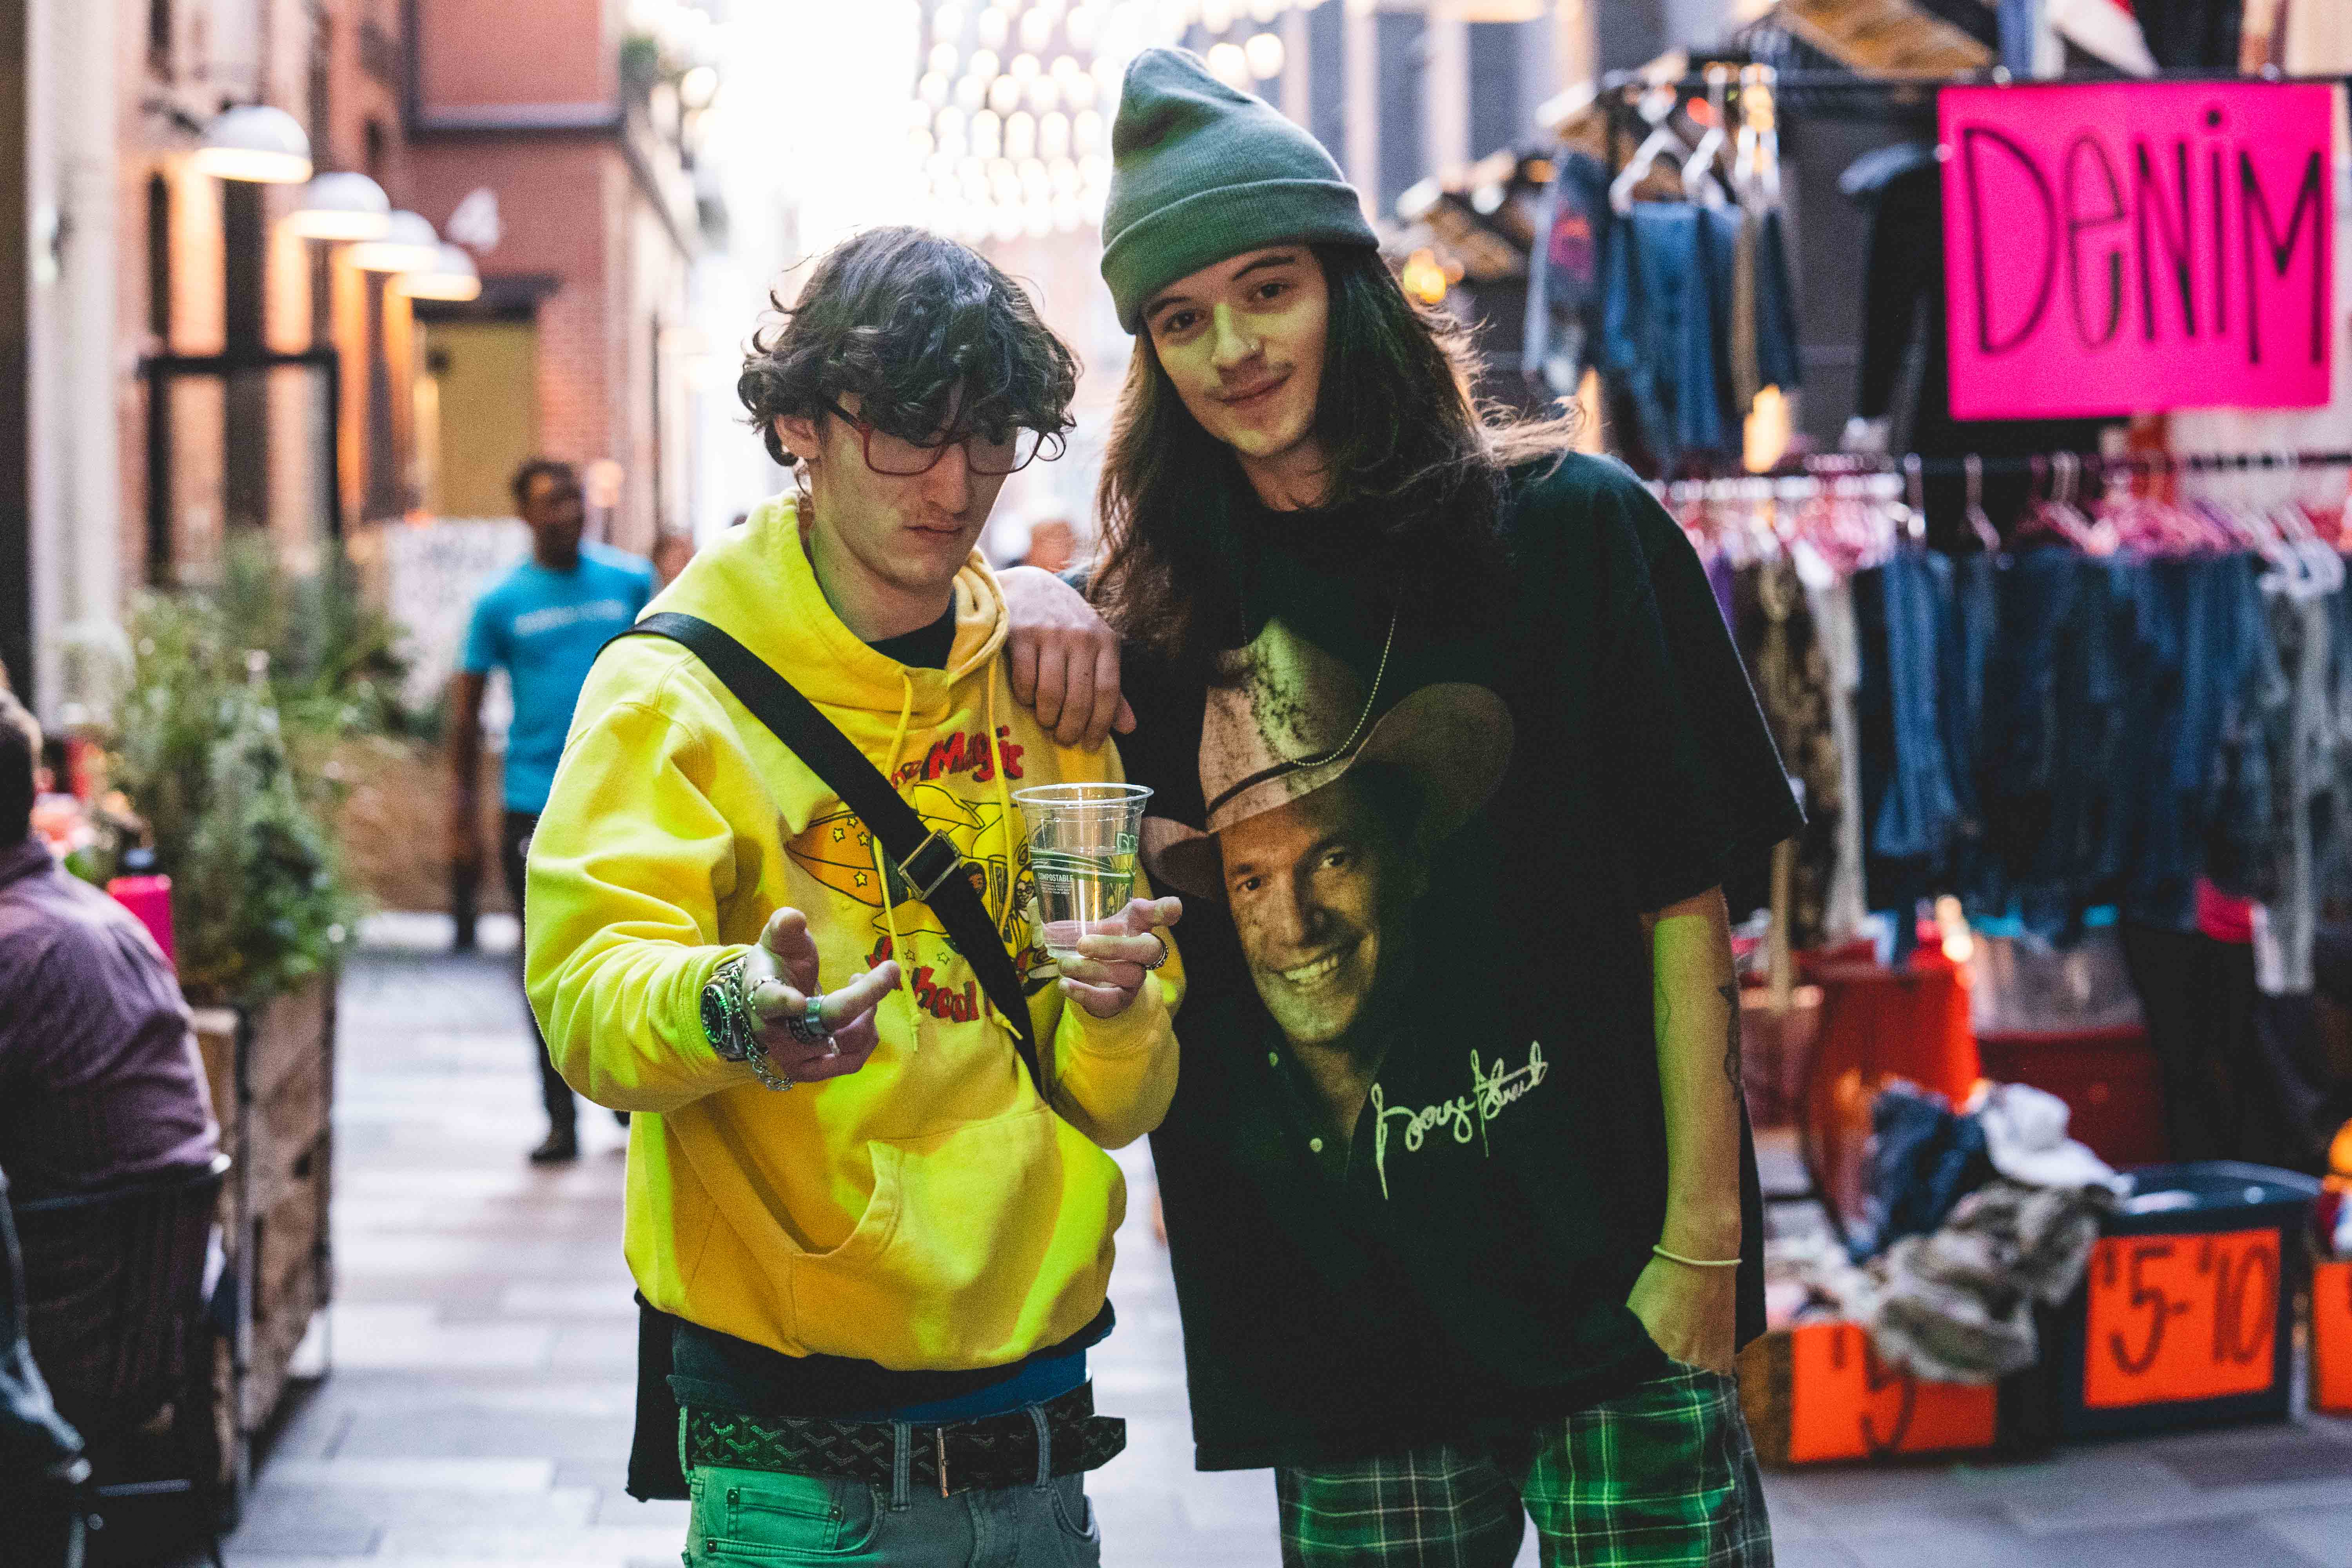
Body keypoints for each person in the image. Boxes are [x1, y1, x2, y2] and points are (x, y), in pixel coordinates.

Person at [1000, 47, 1801, 1564]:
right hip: (1341, 1337)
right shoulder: (1142, 626)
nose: (1234, 347)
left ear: (1349, 288)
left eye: (1269, 289)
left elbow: (1685, 907)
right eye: (1182, 318)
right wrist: (1029, 590)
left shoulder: (1575, 534)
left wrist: (1705, 1243)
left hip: (1613, 1288)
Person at [524, 226, 1185, 1567]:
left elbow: (1116, 1103)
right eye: (907, 433)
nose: (954, 484)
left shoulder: (1043, 685)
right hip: (799, 1465)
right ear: (800, 427)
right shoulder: (674, 695)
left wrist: (1119, 1010)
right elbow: (586, 996)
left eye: (989, 437)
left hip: (1044, 1440)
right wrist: (731, 1005)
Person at [450, 458, 656, 1163]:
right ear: (524, 514)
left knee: (638, 938)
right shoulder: (500, 602)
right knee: (545, 958)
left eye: (574, 498)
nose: (567, 512)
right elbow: (465, 714)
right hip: (535, 803)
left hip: (626, 794)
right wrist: (460, 819)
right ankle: (560, 1118)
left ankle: (630, 1097)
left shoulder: (631, 582)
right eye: (550, 502)